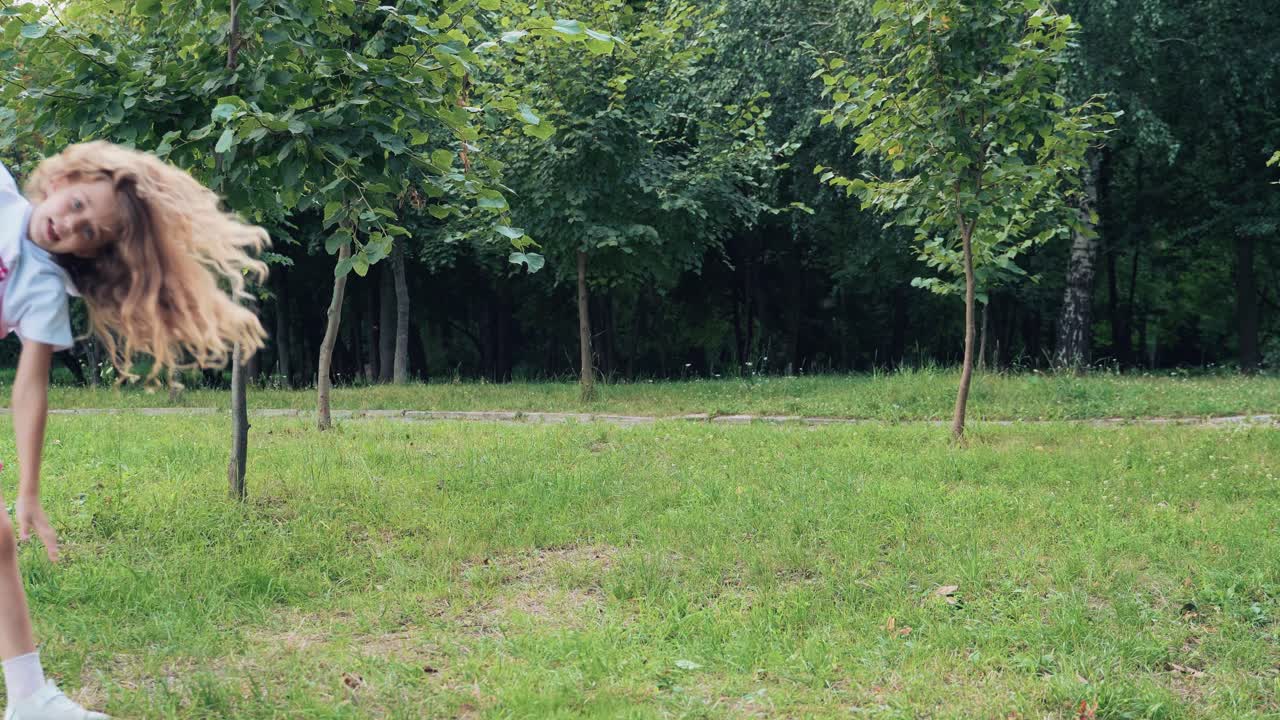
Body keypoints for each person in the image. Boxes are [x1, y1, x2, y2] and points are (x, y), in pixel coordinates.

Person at [0, 141, 269, 719]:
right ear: (64, 179)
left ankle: (30, 699)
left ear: (91, 254)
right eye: (75, 205)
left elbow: (30, 387)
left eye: (86, 231)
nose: (67, 224)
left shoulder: (43, 286)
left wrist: (28, 490)